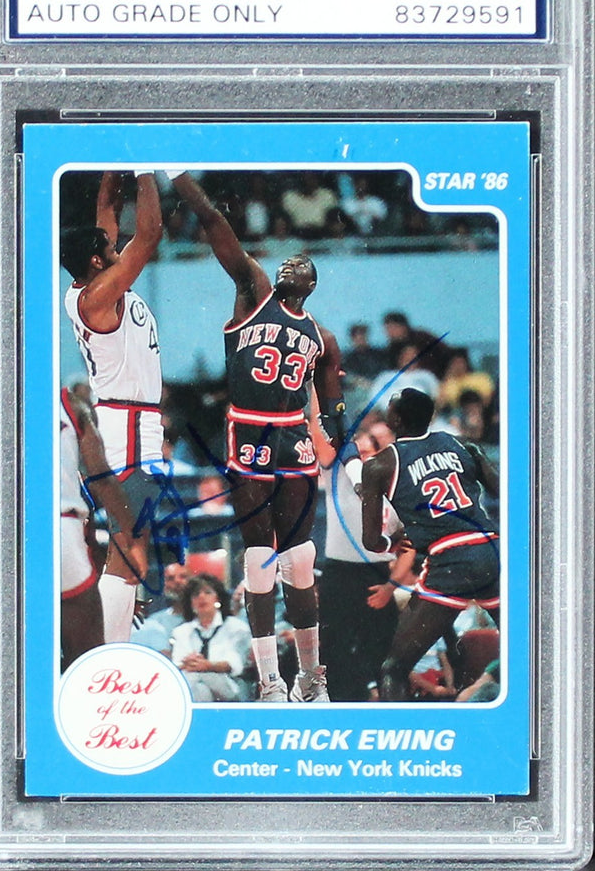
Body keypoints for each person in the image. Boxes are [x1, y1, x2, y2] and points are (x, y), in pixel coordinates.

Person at [174, 173, 345, 702]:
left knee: (299, 558)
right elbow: (214, 222)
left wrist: (338, 439)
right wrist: (179, 176)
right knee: (258, 559)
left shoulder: (323, 337)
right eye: (286, 261)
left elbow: (334, 406)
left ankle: (310, 675)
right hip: (248, 429)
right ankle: (270, 679)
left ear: (311, 285)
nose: (290, 264)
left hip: (293, 436)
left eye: (302, 264)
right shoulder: (253, 293)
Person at [60, 168, 184, 641]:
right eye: (110, 248)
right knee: (130, 549)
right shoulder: (97, 297)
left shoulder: (92, 283)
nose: (119, 248)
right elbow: (150, 235)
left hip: (129, 420)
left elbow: (105, 210)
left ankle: (111, 644)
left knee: (129, 549)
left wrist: (118, 160)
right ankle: (107, 654)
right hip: (126, 424)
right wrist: (147, 167)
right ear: (96, 261)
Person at [362, 387, 499, 702]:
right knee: (527, 649)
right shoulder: (461, 443)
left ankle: (399, 731)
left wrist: (392, 542)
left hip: (450, 562)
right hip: (490, 551)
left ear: (396, 419)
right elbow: (497, 489)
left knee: (393, 668)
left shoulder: (380, 465)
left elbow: (371, 541)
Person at [310, 402, 404, 702]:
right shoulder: (341, 472)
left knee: (383, 652)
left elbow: (409, 546)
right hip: (338, 572)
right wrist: (317, 387)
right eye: (366, 438)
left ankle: (385, 711)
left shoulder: (398, 485)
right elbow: (318, 433)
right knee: (333, 650)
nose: (366, 446)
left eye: (376, 444)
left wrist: (391, 586)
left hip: (378, 576)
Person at [59, 386, 146, 668]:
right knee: (87, 658)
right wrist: (133, 543)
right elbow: (104, 480)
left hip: (0, 528)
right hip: (61, 526)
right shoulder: (71, 405)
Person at [171, 574, 252, 702]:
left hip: (230, 687)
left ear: (218, 598)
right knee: (200, 689)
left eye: (208, 592)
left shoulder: (237, 628)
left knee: (200, 676)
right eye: (196, 595)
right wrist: (194, 664)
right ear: (190, 603)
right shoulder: (181, 631)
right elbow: (178, 662)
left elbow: (235, 664)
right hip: (195, 684)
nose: (201, 597)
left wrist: (208, 666)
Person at [130, 561, 189, 655]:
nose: (177, 582)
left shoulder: (205, 617)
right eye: (170, 578)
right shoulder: (155, 621)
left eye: (183, 577)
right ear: (164, 585)